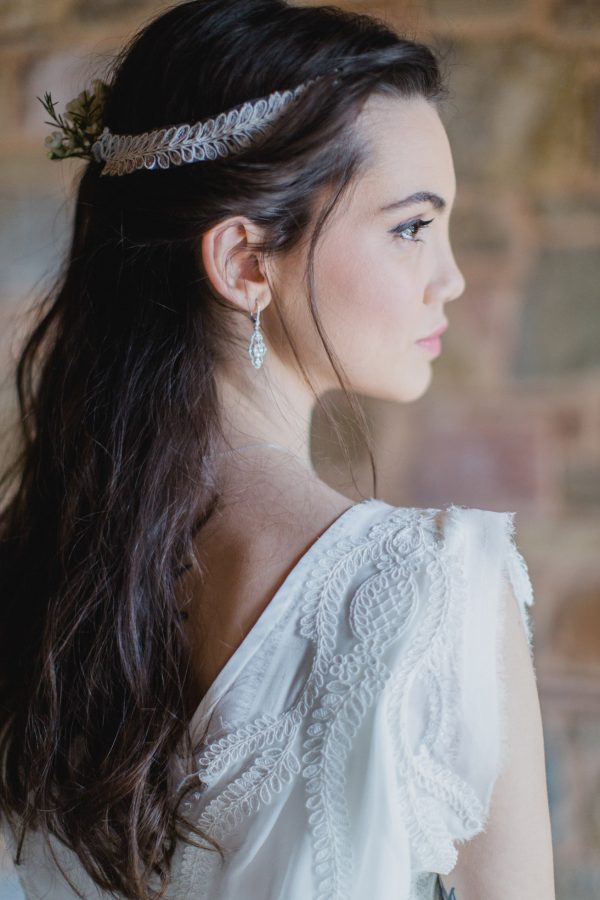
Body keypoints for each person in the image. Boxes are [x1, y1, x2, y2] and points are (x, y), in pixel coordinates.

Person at [0, 0, 555, 897]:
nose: (451, 280)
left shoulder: (32, 573)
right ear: (245, 263)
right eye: (413, 227)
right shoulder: (432, 594)